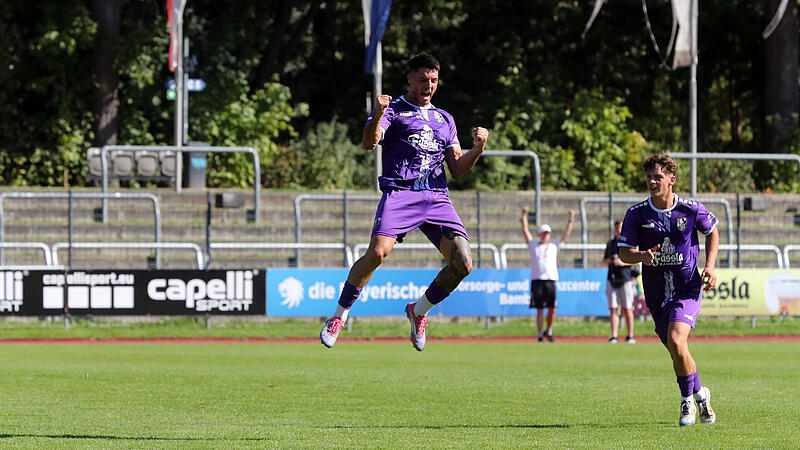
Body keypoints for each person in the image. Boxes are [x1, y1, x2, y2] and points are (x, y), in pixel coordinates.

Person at [319, 53, 489, 351]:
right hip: (401, 193)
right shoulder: (393, 110)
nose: (429, 85)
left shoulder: (445, 119)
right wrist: (376, 113)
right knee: (376, 254)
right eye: (423, 79)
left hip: (436, 198)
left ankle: (419, 310)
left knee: (463, 264)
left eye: (434, 80)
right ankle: (338, 316)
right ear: (410, 78)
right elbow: (369, 143)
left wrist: (479, 147)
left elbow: (458, 169)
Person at [618, 153, 719, 427]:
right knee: (677, 349)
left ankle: (687, 403)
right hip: (656, 293)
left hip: (687, 287)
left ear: (671, 180)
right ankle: (701, 394)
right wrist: (641, 256)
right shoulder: (636, 214)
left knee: (677, 341)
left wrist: (709, 267)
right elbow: (624, 254)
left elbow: (712, 232)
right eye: (649, 177)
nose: (652, 181)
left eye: (658, 177)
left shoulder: (690, 209)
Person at [521, 207, 575, 342]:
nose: (546, 235)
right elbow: (525, 231)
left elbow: (566, 233)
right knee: (539, 309)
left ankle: (548, 331)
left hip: (551, 280)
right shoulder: (533, 245)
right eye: (544, 233)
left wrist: (571, 218)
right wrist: (524, 215)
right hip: (537, 280)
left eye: (548, 233)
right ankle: (540, 335)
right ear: (540, 235)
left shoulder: (554, 246)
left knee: (552, 308)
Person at [601, 219, 636, 344]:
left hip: (626, 279)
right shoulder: (611, 243)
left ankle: (630, 335)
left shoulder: (629, 243)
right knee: (613, 308)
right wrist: (611, 260)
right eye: (616, 228)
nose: (618, 230)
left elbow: (637, 260)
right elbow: (604, 260)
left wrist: (623, 262)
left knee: (627, 309)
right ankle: (614, 336)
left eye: (620, 228)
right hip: (612, 278)